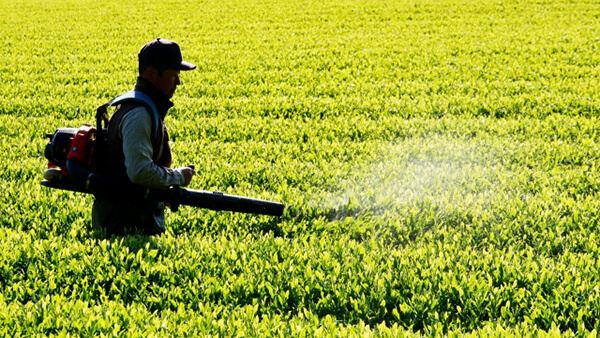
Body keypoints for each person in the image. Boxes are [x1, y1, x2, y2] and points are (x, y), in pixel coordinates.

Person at [92, 38, 196, 236]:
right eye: (173, 74)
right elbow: (140, 172)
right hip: (125, 226)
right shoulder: (139, 115)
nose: (179, 82)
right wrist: (179, 177)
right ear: (151, 74)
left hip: (132, 221)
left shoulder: (143, 106)